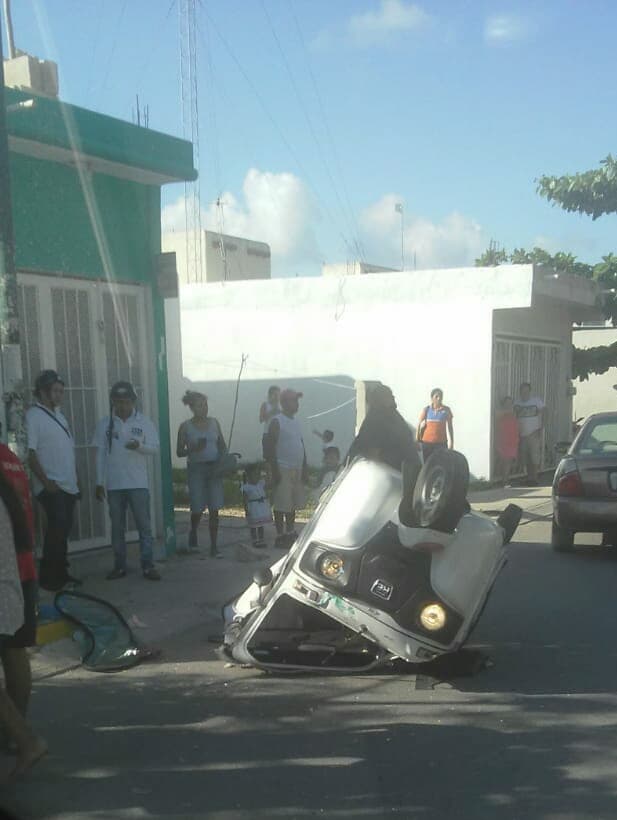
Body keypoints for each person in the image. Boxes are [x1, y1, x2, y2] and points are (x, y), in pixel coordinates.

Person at [0, 481, 47, 781]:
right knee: (15, 660)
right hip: (10, 593)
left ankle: (27, 741)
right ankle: (22, 739)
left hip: (2, 597)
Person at [93, 382, 161, 581]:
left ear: (133, 402)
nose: (122, 406)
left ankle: (148, 565)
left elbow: (155, 448)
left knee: (144, 527)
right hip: (114, 485)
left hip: (138, 484)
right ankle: (119, 566)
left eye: (126, 402)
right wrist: (99, 482)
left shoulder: (144, 422)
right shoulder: (105, 423)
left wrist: (139, 446)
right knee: (117, 528)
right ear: (113, 402)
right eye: (118, 402)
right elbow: (100, 454)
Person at [26, 370, 80, 591]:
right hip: (51, 485)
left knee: (63, 530)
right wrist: (45, 481)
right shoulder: (33, 416)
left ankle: (62, 573)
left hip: (68, 484)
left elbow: (67, 449)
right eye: (55, 391)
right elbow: (29, 453)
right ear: (42, 391)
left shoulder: (60, 415)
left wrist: (77, 480)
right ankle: (49, 578)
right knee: (56, 531)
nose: (59, 395)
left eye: (61, 391)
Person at [0, 444, 38, 747]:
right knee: (15, 653)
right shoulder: (11, 458)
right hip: (21, 567)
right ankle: (17, 734)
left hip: (6, 570)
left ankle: (19, 737)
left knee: (13, 653)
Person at [176, 391, 226, 558]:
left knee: (214, 508)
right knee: (197, 507)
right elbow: (179, 452)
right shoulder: (185, 426)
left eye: (205, 404)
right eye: (199, 405)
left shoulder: (214, 423)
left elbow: (222, 445)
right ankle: (193, 531)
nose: (203, 408)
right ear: (191, 408)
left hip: (214, 468)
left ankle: (214, 545)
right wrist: (193, 449)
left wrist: (223, 462)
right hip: (196, 468)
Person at [264, 389, 308, 548]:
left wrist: (305, 466)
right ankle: (280, 534)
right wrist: (274, 470)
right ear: (283, 403)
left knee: (292, 503)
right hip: (282, 467)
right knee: (281, 503)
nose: (296, 404)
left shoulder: (296, 422)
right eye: (292, 400)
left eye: (297, 401)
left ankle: (290, 532)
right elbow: (270, 447)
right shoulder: (277, 421)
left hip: (297, 468)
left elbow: (301, 444)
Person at [348, 384, 419, 471]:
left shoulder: (393, 415)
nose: (393, 398)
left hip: (407, 470)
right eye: (389, 395)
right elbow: (371, 452)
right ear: (380, 399)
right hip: (387, 472)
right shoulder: (375, 419)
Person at [514, 382, 545, 486]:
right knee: (525, 457)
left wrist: (541, 427)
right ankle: (529, 477)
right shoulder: (517, 403)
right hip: (521, 434)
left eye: (526, 390)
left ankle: (535, 478)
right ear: (520, 391)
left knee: (534, 456)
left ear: (529, 391)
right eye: (523, 390)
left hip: (533, 433)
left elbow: (545, 412)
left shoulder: (536, 401)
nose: (524, 393)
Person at [417, 388, 454, 461]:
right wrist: (417, 440)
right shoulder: (426, 410)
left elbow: (450, 427)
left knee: (441, 464)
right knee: (428, 465)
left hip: (441, 444)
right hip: (427, 444)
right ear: (432, 398)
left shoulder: (446, 410)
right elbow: (419, 425)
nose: (439, 398)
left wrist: (451, 442)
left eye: (441, 396)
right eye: (436, 396)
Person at [241, 464, 271, 549]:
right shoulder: (246, 487)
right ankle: (255, 540)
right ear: (249, 476)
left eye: (258, 474)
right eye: (254, 474)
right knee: (254, 526)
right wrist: (246, 510)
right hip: (253, 508)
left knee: (261, 524)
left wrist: (268, 471)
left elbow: (269, 483)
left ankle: (261, 539)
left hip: (261, 508)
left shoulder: (260, 484)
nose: (257, 477)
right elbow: (245, 500)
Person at [495, 396, 519, 487]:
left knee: (508, 461)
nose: (509, 404)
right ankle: (504, 481)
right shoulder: (500, 412)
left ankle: (505, 480)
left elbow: (516, 425)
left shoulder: (514, 413)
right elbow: (497, 417)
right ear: (503, 403)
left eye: (510, 402)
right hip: (502, 440)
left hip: (512, 440)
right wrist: (509, 411)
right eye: (507, 402)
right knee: (503, 461)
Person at [259, 386, 280, 458]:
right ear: (270, 395)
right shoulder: (265, 405)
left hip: (279, 436)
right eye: (275, 395)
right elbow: (261, 419)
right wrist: (272, 412)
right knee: (268, 458)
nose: (277, 397)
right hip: (268, 435)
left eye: (278, 395)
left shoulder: (281, 406)